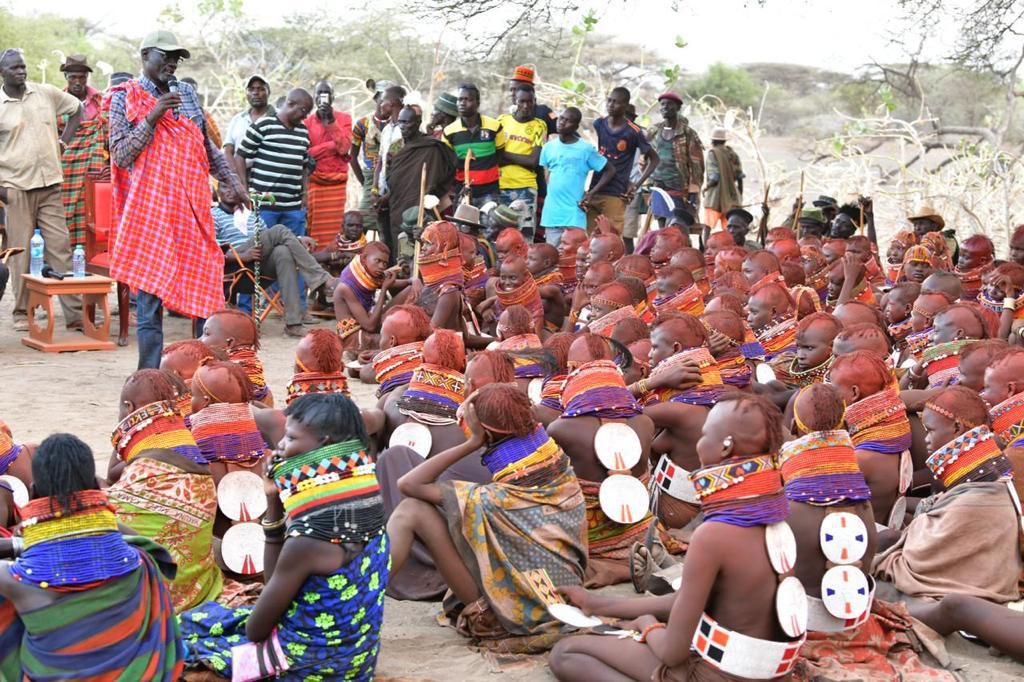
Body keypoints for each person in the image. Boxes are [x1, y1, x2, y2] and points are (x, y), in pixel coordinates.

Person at [549, 394, 804, 682]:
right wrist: (598, 605)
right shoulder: (776, 518)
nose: (699, 440)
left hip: (714, 675)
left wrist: (647, 626)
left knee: (567, 653)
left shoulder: (713, 535)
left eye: (705, 433)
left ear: (725, 447)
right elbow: (685, 602)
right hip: (770, 675)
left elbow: (672, 653)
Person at [181, 393, 389, 680]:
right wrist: (275, 499)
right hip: (357, 660)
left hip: (306, 667)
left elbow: (257, 629)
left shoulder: (310, 539)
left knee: (187, 637)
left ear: (324, 445)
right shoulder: (368, 508)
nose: (279, 445)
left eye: (290, 438)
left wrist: (273, 511)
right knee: (211, 620)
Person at [387, 384, 587, 646]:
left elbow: (408, 485)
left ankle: (361, 597)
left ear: (486, 433)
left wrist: (472, 442)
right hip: (564, 597)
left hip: (509, 613)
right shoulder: (558, 468)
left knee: (410, 511)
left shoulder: (495, 499)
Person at [107, 31, 248, 369]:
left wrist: (232, 182)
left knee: (205, 285)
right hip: (151, 211)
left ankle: (201, 368)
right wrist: (153, 116)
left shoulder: (186, 93)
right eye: (165, 56)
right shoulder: (124, 98)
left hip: (193, 209)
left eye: (176, 57)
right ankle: (149, 373)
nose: (172, 63)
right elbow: (121, 154)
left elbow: (205, 146)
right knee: (150, 296)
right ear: (145, 56)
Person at [0, 433, 185, 679]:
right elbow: (151, 546)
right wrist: (97, 511)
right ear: (97, 489)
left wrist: (21, 540)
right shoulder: (142, 562)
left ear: (33, 493)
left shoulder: (16, 579)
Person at [873, 386, 1021, 603]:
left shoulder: (979, 497)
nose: (926, 439)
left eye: (930, 430)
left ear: (957, 427)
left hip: (959, 599)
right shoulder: (988, 482)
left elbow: (917, 561)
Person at [107, 369, 220, 611]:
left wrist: (124, 434)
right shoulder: (189, 448)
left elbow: (109, 485)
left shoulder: (144, 470)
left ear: (128, 407)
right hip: (194, 587)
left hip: (150, 598)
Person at [0, 48, 83, 333]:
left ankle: (74, 313)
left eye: (23, 66)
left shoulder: (45, 93)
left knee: (61, 247)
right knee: (21, 252)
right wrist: (2, 190)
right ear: (2, 73)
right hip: (16, 187)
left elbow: (77, 109)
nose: (21, 71)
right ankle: (21, 311)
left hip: (50, 183)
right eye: (14, 68)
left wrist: (63, 142)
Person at [211, 188, 337, 337]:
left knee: (283, 252)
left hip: (257, 268)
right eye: (225, 186)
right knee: (278, 230)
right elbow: (210, 247)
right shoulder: (213, 215)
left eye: (232, 187)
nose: (230, 190)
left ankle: (293, 324)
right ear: (218, 192)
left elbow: (271, 238)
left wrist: (296, 239)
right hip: (233, 267)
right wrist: (241, 255)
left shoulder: (250, 215)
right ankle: (321, 280)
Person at [237, 87, 314, 239]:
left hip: (292, 205)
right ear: (290, 104)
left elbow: (304, 166)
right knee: (265, 247)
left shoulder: (303, 131)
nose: (305, 116)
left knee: (295, 247)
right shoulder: (264, 125)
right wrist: (244, 189)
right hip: (265, 204)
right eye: (303, 111)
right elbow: (240, 155)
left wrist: (305, 193)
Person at [383, 105, 458, 260]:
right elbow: (391, 177)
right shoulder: (396, 146)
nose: (402, 126)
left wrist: (432, 193)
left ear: (418, 122)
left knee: (425, 244)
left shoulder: (432, 147)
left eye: (407, 122)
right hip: (398, 204)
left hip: (423, 204)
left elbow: (446, 172)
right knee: (400, 247)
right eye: (400, 122)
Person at [539, 107, 615, 247]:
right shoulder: (548, 148)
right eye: (561, 118)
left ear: (575, 126)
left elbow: (610, 170)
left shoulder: (585, 149)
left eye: (568, 121)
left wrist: (591, 193)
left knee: (573, 257)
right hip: (552, 214)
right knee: (552, 257)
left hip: (574, 214)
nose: (562, 123)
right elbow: (546, 175)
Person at [587, 87, 659, 235]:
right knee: (589, 239)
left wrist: (636, 185)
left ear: (625, 106)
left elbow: (655, 159)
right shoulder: (599, 124)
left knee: (610, 239)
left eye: (616, 102)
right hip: (595, 188)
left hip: (616, 193)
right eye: (609, 101)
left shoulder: (633, 131)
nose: (611, 105)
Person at [59, 54, 108, 249]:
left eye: (82, 77)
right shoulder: (56, 101)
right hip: (66, 168)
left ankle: (89, 259)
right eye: (73, 77)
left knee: (90, 210)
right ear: (66, 77)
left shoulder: (100, 102)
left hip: (94, 168)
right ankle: (64, 259)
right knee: (62, 212)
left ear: (87, 77)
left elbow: (109, 135)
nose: (77, 82)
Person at [304, 80, 352, 250]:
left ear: (332, 97)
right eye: (319, 93)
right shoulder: (307, 122)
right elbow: (306, 153)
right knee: (313, 226)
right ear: (314, 97)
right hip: (315, 181)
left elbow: (344, 147)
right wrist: (330, 147)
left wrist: (331, 121)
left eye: (326, 93)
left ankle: (334, 267)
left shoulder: (344, 118)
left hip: (336, 184)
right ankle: (316, 265)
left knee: (335, 228)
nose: (322, 97)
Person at [442, 83, 506, 207]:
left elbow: (500, 155)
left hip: (489, 191)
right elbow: (449, 162)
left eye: (467, 99)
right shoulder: (449, 131)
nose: (462, 103)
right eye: (460, 99)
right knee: (461, 226)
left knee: (490, 226)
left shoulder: (494, 126)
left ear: (477, 103)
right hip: (462, 191)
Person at [646, 91, 704, 223]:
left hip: (679, 188)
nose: (665, 107)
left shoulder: (687, 133)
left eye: (670, 104)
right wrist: (647, 182)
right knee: (662, 225)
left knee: (677, 225)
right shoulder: (653, 131)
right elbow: (644, 158)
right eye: (662, 104)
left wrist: (693, 193)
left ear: (678, 108)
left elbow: (697, 165)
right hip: (658, 187)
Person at [497, 87, 547, 241]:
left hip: (526, 188)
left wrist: (504, 155)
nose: (526, 106)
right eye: (522, 101)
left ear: (535, 102)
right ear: (515, 101)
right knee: (500, 236)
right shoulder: (501, 121)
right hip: (501, 186)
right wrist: (521, 158)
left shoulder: (540, 126)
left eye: (530, 102)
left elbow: (533, 161)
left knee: (524, 237)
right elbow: (495, 156)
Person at [350, 80, 394, 234]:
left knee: (389, 225)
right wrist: (365, 182)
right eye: (383, 100)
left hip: (392, 178)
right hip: (370, 178)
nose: (386, 105)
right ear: (376, 99)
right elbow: (352, 157)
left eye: (390, 102)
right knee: (362, 223)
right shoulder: (363, 124)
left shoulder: (399, 125)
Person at [223, 74, 272, 169]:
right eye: (251, 89)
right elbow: (228, 150)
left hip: (268, 179)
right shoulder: (238, 119)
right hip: (239, 176)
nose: (255, 93)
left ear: (268, 92)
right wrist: (234, 174)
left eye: (260, 89)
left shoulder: (279, 118)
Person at [703, 127, 743, 229]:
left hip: (715, 199)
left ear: (713, 141)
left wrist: (706, 188)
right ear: (724, 141)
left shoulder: (713, 153)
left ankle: (704, 245)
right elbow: (739, 176)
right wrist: (739, 195)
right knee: (729, 229)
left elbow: (714, 177)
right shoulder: (732, 154)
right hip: (731, 198)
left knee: (708, 227)